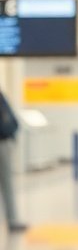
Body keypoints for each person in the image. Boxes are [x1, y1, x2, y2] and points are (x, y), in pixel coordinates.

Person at [0, 88, 27, 233]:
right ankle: (12, 219)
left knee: (7, 183)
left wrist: (13, 131)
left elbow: (10, 119)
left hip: (5, 142)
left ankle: (12, 219)